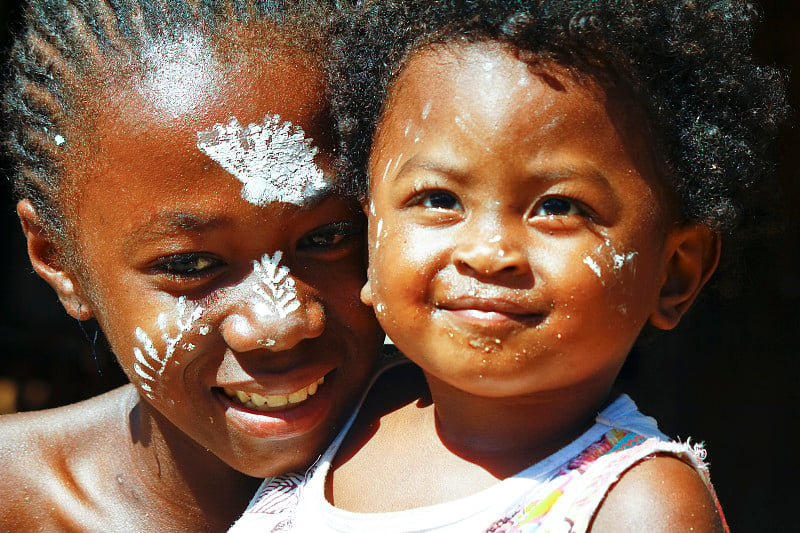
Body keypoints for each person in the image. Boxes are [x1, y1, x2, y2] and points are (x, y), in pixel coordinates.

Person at [232, 0, 789, 531]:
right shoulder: (334, 412)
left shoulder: (634, 506)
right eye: (439, 199)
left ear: (674, 274)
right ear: (370, 232)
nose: (488, 253)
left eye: (559, 208)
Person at [0, 0, 385, 530]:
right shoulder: (14, 500)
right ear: (58, 258)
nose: (280, 324)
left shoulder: (504, 473)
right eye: (190, 264)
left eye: (329, 236)